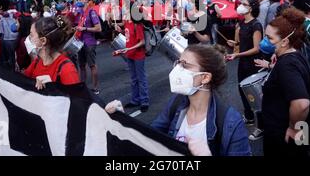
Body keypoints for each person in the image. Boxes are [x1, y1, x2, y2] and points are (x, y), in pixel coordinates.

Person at [106, 45, 251, 156]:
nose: (177, 69)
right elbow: (150, 137)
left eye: (185, 65)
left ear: (205, 77)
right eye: (178, 63)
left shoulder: (231, 122)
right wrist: (122, 119)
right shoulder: (177, 104)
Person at [255, 8, 310, 156]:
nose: (265, 41)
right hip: (301, 126)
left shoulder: (287, 65)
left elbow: (302, 104)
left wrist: (293, 128)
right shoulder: (294, 54)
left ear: (285, 41)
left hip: (284, 132)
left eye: (270, 38)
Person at [226, 0, 263, 128]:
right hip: (242, 62)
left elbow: (256, 48)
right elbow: (244, 42)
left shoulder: (256, 25)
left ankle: (260, 125)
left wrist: (237, 54)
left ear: (250, 8)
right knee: (242, 89)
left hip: (252, 64)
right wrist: (235, 43)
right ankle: (249, 117)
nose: (240, 6)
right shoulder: (242, 23)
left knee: (253, 93)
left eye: (244, 4)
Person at [24, 16, 80, 89]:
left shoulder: (67, 70)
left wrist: (53, 88)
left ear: (43, 41)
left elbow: (78, 98)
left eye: (31, 35)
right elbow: (22, 81)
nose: (28, 38)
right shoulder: (37, 62)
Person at [114, 4, 149, 112]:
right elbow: (128, 36)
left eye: (126, 11)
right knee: (133, 79)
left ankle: (144, 101)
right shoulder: (127, 23)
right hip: (130, 54)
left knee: (141, 79)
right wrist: (119, 30)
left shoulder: (137, 24)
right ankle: (135, 100)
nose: (124, 12)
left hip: (138, 55)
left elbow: (142, 42)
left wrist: (129, 49)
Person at [75, 0, 102, 94]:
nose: (77, 2)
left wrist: (85, 29)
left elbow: (99, 28)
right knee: (81, 65)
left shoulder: (91, 12)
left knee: (92, 65)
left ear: (85, 0)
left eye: (79, 0)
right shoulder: (80, 13)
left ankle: (95, 88)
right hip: (80, 43)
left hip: (90, 42)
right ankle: (83, 87)